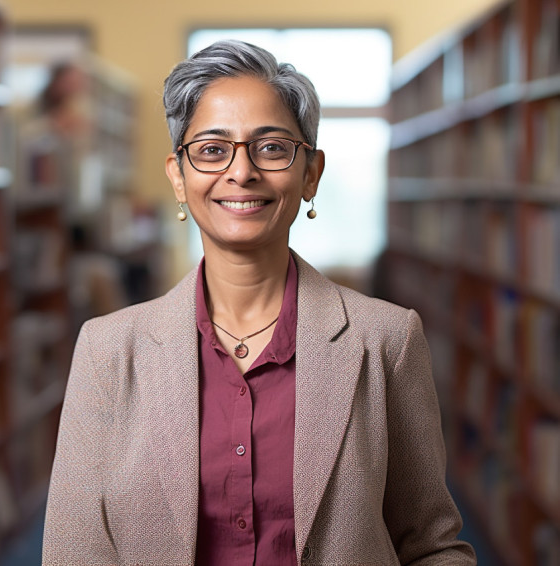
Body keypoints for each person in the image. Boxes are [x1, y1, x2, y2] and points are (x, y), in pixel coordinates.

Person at [42, 40, 477, 565]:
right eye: (211, 149)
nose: (241, 171)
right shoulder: (108, 350)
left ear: (310, 173)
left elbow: (431, 545)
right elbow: (73, 552)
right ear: (178, 176)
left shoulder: (386, 340)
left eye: (271, 148)